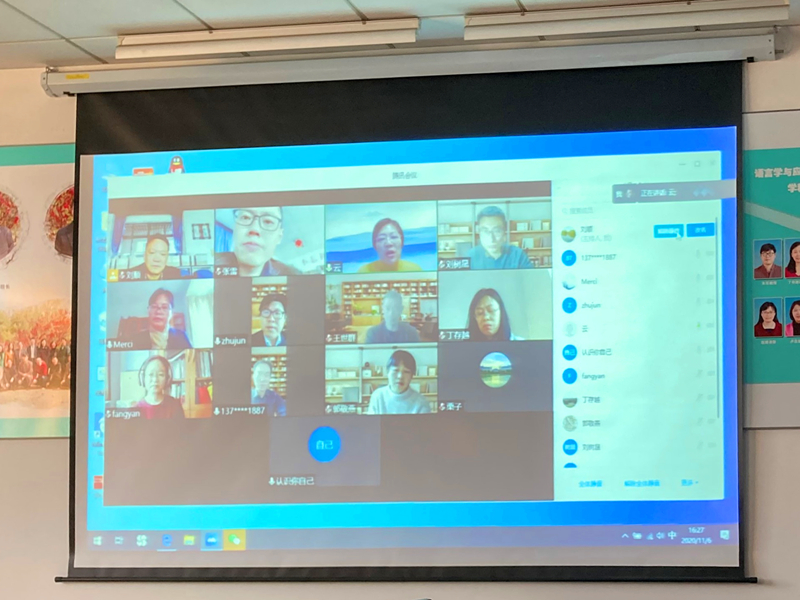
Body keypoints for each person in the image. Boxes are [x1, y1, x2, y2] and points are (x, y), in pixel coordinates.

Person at [215, 207, 299, 276]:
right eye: (245, 217)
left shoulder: (292, 275)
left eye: (268, 221)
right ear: (235, 229)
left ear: (279, 237)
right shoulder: (210, 267)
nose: (254, 229)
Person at [125, 288, 192, 350]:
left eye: (164, 307)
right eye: (154, 307)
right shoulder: (136, 339)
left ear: (171, 313)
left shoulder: (181, 337)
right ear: (148, 311)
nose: (158, 311)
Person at [467, 206, 532, 270]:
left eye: (497, 231)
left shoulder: (518, 255)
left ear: (504, 233)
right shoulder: (471, 256)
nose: (491, 239)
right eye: (485, 231)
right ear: (479, 233)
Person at [367, 350, 430, 415]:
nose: (400, 376)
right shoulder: (377, 397)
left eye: (406, 372)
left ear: (412, 376)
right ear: (388, 372)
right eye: (396, 370)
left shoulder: (421, 402)